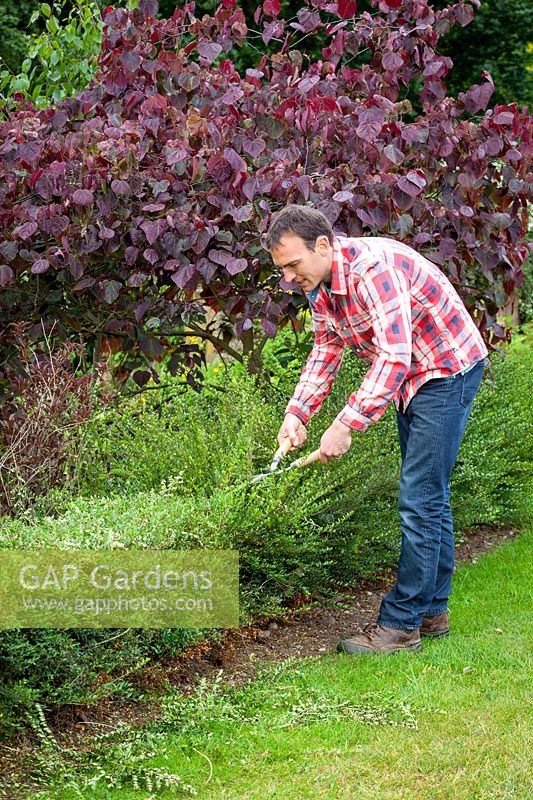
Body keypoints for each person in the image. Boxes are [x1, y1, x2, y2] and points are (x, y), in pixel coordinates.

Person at [264, 204, 488, 655]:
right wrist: (298, 413)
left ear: (323, 246)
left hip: (446, 368)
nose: (288, 278)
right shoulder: (321, 284)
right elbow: (326, 348)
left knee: (419, 497)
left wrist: (346, 424)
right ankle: (432, 612)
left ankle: (401, 626)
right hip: (414, 374)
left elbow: (393, 356)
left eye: (293, 265)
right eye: (281, 270)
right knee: (429, 495)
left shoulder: (371, 272)